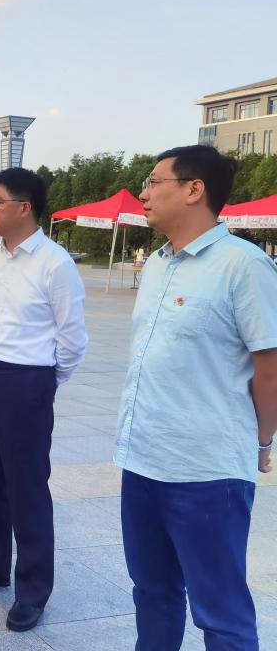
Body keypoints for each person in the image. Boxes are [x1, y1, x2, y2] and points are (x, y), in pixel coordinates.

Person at [116, 145, 277, 650]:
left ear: (193, 189)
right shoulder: (158, 264)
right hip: (143, 460)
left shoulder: (243, 265)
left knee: (220, 611)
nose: (144, 192)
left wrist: (262, 441)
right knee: (153, 592)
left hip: (206, 471)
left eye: (154, 181)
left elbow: (271, 368)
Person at [0, 167, 87, 633]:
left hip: (27, 380)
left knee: (27, 486)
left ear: (24, 207)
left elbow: (72, 338)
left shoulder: (55, 264)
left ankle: (32, 590)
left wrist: (43, 381)